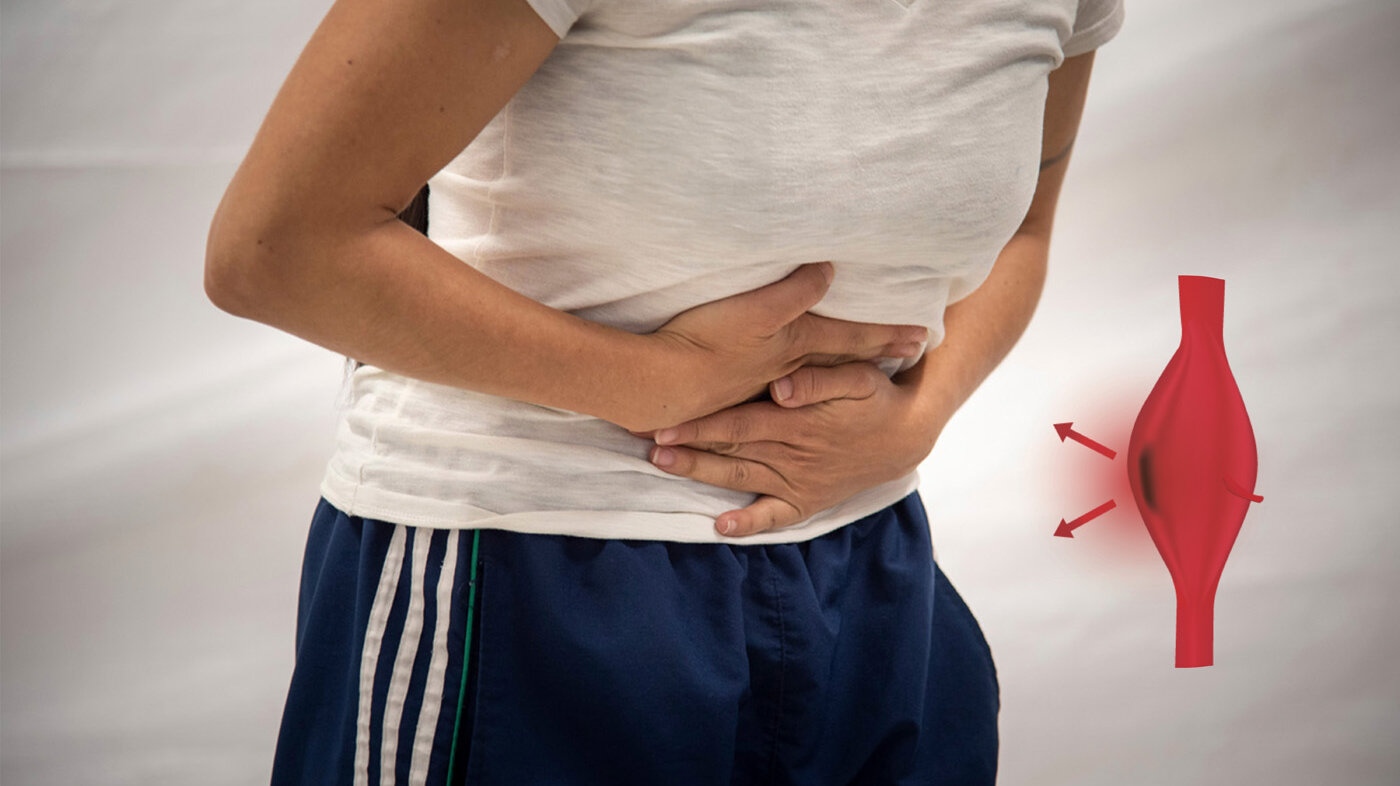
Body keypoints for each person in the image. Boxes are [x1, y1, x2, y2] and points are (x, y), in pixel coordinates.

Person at [204, 0, 1125, 782]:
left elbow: (1025, 232)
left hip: (868, 565)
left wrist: (919, 419)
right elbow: (276, 246)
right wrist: (657, 384)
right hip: (528, 567)